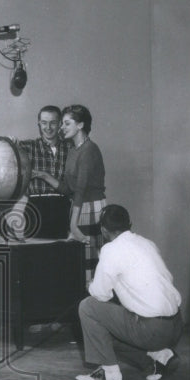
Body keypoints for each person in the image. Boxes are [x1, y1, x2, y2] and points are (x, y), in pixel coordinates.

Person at [74, 204, 183, 380]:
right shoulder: (147, 243)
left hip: (152, 330)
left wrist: (91, 286)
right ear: (129, 223)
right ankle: (160, 357)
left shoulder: (111, 250)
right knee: (107, 330)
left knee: (87, 307)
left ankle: (109, 372)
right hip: (176, 326)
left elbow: (100, 295)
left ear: (103, 230)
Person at [58, 104, 107, 270]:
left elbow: (81, 190)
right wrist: (43, 176)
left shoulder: (89, 149)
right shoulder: (72, 151)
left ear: (80, 125)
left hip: (91, 208)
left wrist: (73, 225)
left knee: (91, 266)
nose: (62, 127)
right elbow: (68, 188)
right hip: (78, 208)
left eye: (66, 123)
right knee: (79, 266)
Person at [17, 105, 70, 238]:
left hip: (62, 206)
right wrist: (10, 141)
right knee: (35, 254)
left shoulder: (70, 148)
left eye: (53, 123)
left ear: (60, 125)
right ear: (39, 124)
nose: (48, 127)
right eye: (44, 123)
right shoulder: (28, 147)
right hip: (36, 207)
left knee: (61, 253)